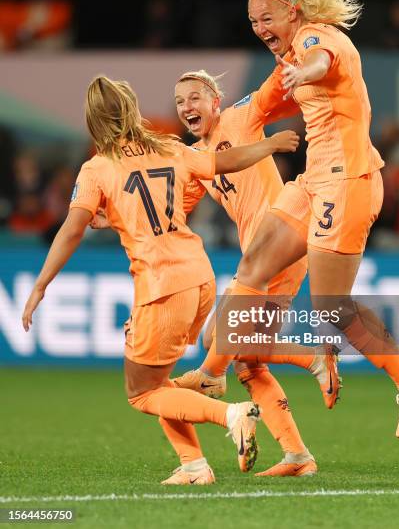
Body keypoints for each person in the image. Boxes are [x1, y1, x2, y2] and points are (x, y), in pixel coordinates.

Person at [189, 0, 399, 439]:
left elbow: (322, 60)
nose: (260, 27)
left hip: (348, 181)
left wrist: (306, 71)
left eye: (267, 17)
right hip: (313, 182)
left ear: (293, 13)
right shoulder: (287, 57)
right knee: (253, 266)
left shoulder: (314, 38)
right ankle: (213, 371)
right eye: (253, 21)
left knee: (330, 304)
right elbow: (259, 103)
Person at [21, 75, 301, 485]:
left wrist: (42, 284)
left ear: (93, 121)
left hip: (161, 284)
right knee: (160, 381)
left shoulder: (97, 168)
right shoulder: (169, 148)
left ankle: (231, 415)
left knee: (143, 393)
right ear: (132, 110)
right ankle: (193, 466)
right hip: (199, 276)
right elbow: (222, 163)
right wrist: (269, 146)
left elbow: (70, 230)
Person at [173, 69, 340, 477]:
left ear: (215, 101)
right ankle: (298, 457)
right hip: (258, 258)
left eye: (195, 98)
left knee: (218, 339)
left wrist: (293, 50)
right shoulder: (199, 158)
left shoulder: (240, 117)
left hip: (279, 246)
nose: (186, 107)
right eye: (179, 102)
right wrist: (115, 215)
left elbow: (272, 90)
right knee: (247, 361)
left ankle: (217, 376)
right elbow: (172, 202)